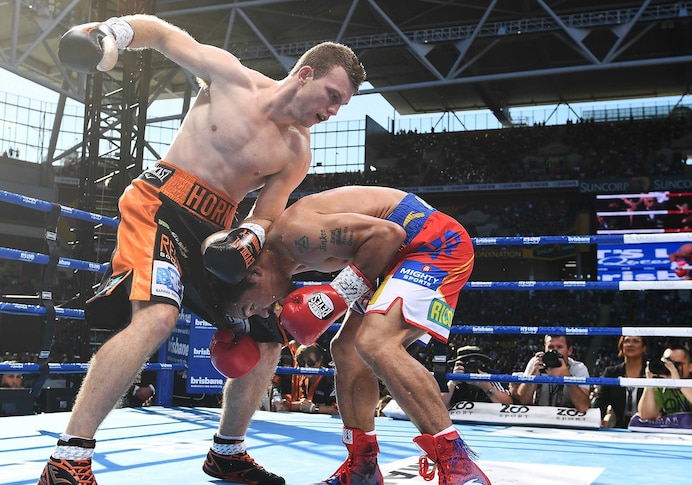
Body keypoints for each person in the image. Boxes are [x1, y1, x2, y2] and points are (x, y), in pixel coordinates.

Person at [42, 13, 365, 485]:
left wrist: (253, 233)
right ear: (305, 74)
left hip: (216, 236)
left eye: (343, 105)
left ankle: (227, 451)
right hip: (160, 206)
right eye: (333, 97)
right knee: (157, 317)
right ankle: (68, 458)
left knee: (266, 335)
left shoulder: (298, 152)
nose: (333, 111)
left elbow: (267, 213)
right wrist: (116, 33)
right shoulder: (232, 78)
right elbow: (166, 34)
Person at [219, 186, 490, 485]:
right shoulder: (285, 252)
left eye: (250, 306)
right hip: (392, 260)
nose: (261, 312)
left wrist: (340, 292)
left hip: (431, 243)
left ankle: (460, 468)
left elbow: (388, 235)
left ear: (254, 274)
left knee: (375, 342)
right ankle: (363, 468)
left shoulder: (297, 235)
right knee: (346, 349)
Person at [637, 343, 692, 419]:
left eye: (677, 364)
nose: (672, 368)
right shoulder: (660, 381)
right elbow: (646, 415)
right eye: (668, 363)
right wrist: (649, 383)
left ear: (690, 367)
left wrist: (679, 383)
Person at [515, 334, 591, 412]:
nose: (554, 351)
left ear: (569, 350)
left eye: (559, 347)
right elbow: (523, 400)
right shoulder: (536, 363)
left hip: (566, 419)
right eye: (550, 347)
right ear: (545, 348)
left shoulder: (578, 368)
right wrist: (533, 373)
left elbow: (583, 407)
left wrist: (567, 377)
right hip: (539, 416)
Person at [593, 336, 647, 428]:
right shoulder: (611, 373)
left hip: (646, 427)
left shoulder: (651, 373)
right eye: (626, 341)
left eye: (636, 341)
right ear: (621, 346)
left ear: (644, 348)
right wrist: (593, 423)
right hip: (617, 427)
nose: (630, 344)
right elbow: (600, 403)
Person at [440, 345, 512, 407]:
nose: (471, 366)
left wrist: (487, 386)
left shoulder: (490, 376)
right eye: (467, 362)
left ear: (481, 363)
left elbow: (509, 403)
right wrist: (453, 382)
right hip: (457, 420)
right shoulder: (451, 376)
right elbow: (438, 405)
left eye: (475, 363)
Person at [287, 344, 338, 416]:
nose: (306, 367)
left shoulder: (330, 379)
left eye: (311, 363)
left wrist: (314, 408)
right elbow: (305, 405)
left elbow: (337, 410)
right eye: (302, 363)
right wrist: (288, 406)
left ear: (320, 361)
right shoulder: (304, 380)